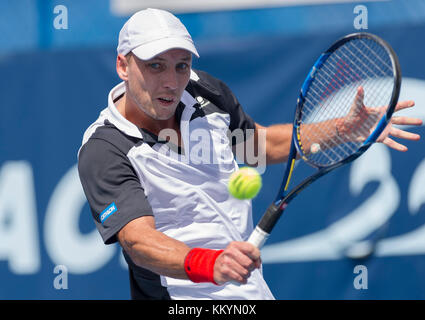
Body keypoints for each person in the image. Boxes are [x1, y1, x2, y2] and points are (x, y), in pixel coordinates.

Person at [78, 8, 422, 300]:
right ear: (123, 66)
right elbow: (138, 241)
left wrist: (343, 129)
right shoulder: (104, 149)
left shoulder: (206, 93)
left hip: (247, 291)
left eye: (181, 65)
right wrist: (211, 264)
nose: (171, 80)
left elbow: (260, 146)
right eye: (156, 66)